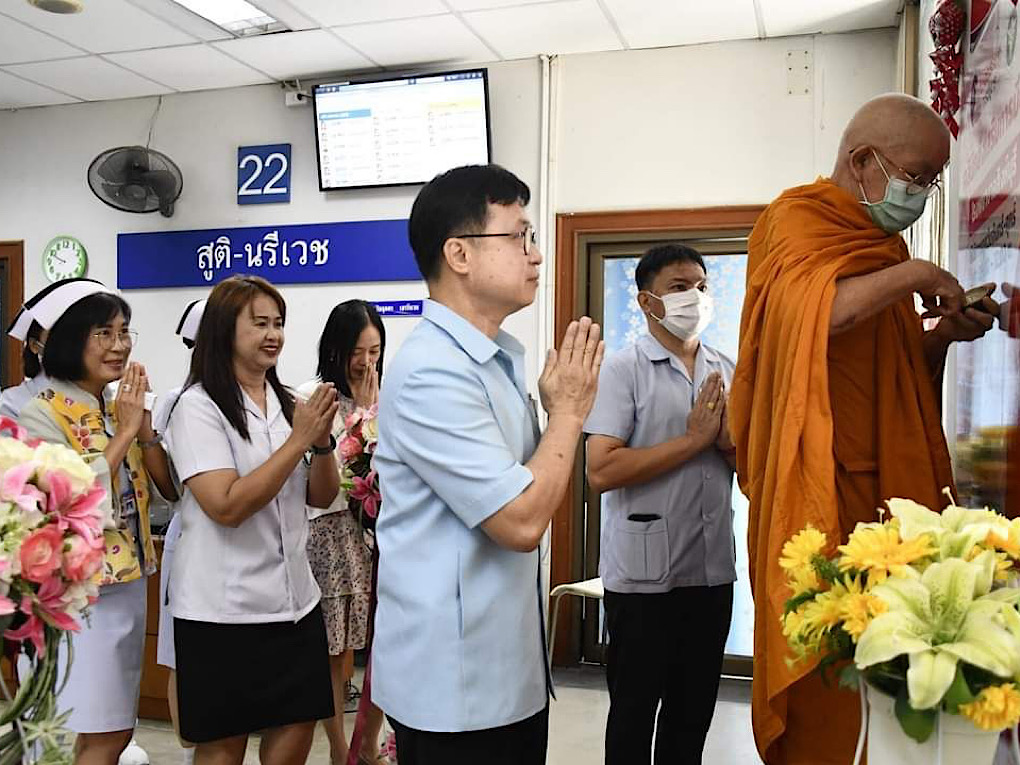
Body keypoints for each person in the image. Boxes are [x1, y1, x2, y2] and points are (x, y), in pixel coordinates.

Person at [728, 93, 999, 764]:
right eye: (915, 175)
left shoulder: (884, 246)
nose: (922, 193)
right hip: (821, 497)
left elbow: (896, 374)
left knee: (885, 693)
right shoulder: (793, 220)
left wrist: (942, 336)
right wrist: (914, 274)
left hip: (890, 506)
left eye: (933, 180)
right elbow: (816, 318)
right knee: (827, 680)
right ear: (862, 161)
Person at [372, 163, 604, 765]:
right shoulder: (432, 371)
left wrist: (557, 413)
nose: (536, 253)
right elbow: (520, 521)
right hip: (455, 688)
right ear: (459, 254)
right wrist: (569, 415)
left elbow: (527, 480)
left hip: (504, 670)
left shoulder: (489, 359)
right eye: (519, 235)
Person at [164, 275, 339, 765]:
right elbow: (226, 506)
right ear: (224, 330)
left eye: (278, 323)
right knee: (224, 745)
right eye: (259, 323)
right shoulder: (196, 407)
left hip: (295, 603)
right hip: (224, 611)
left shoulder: (289, 403)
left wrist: (322, 443)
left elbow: (322, 495)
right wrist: (298, 442)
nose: (273, 335)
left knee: (298, 727)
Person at [584, 243, 736, 765]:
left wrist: (728, 445)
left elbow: (749, 467)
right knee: (634, 712)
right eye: (679, 287)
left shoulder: (726, 367)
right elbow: (601, 470)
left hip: (711, 571)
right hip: (643, 581)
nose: (695, 297)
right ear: (648, 302)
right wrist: (692, 442)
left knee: (692, 716)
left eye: (702, 286)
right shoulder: (623, 370)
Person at [18, 282, 177, 765]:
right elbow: (67, 499)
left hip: (128, 584)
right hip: (78, 597)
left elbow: (166, 491)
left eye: (124, 332)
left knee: (115, 728)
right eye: (103, 333)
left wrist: (143, 432)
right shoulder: (40, 413)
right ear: (70, 340)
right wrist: (125, 432)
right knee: (96, 731)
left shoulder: (115, 405)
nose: (119, 345)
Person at [299, 300, 386, 765]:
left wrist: (375, 410)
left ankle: (366, 744)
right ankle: (338, 750)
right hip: (329, 534)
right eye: (357, 351)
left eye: (375, 350)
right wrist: (364, 419)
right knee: (333, 653)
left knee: (375, 647)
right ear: (335, 348)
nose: (366, 362)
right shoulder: (314, 397)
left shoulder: (386, 396)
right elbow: (334, 473)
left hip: (375, 536)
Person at [153, 297, 207, 765]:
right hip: (189, 536)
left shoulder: (267, 398)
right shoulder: (175, 402)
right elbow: (169, 489)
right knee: (182, 655)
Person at [1, 278, 111, 420]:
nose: (75, 344)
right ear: (34, 345)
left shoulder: (109, 395)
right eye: (61, 335)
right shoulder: (12, 404)